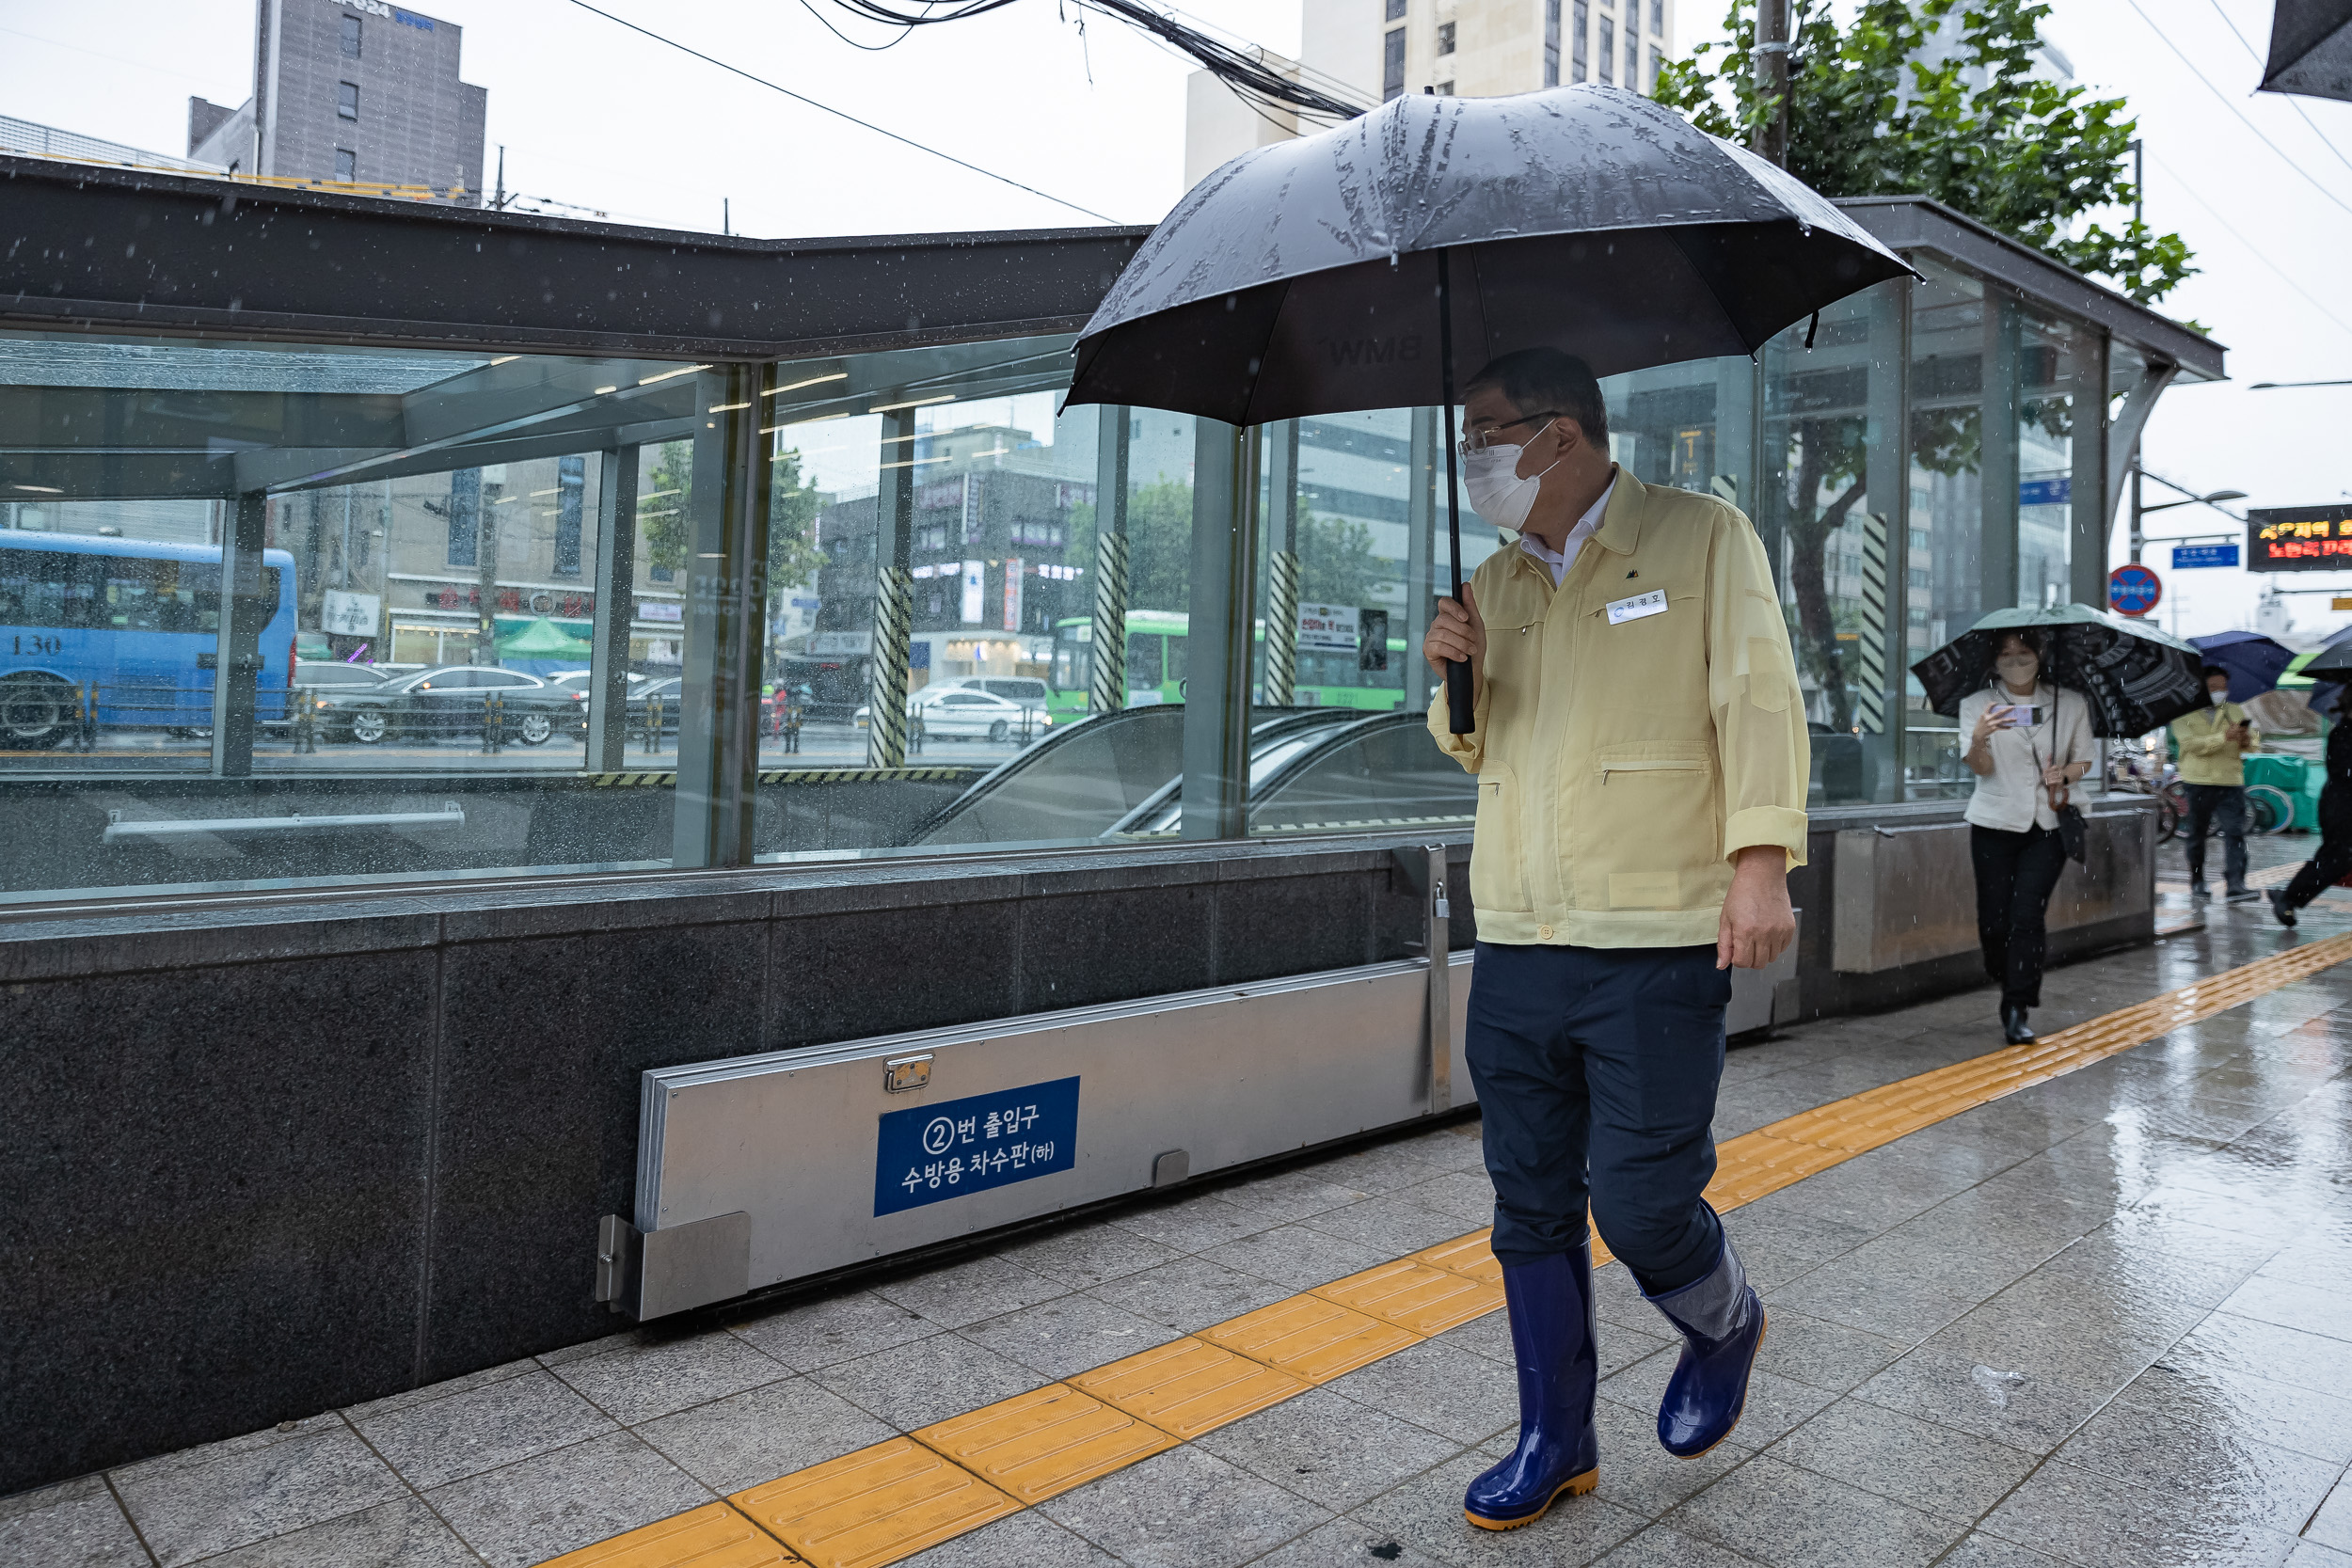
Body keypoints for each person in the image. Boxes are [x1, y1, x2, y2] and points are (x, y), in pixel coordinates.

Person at [1422, 347, 1804, 1530]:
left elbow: (1756, 693)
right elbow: (1483, 750)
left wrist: (1760, 865)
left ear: (1560, 435)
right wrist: (1455, 678)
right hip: (1523, 937)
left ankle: (1724, 1318)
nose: (1470, 454)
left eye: (1486, 431)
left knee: (1639, 1203)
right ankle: (1556, 1436)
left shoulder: (1698, 537)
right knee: (1527, 1201)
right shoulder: (1492, 578)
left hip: (1654, 932)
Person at [1958, 631, 2092, 1045]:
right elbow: (1980, 767)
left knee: (2027, 916)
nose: (2016, 660)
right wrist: (1980, 737)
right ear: (1995, 661)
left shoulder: (2069, 702)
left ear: (2040, 655)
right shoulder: (1976, 705)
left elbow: (2084, 759)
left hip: (2048, 824)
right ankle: (2006, 972)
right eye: (2006, 654)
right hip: (1993, 822)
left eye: (2024, 652)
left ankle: (2017, 1004)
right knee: (1994, 921)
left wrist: (2063, 774)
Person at [2169, 667, 2260, 901]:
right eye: (2214, 688)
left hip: (2231, 781)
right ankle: (2197, 881)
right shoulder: (2183, 713)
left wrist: (2246, 739)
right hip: (2197, 781)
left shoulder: (2234, 710)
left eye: (2224, 687)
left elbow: (2253, 744)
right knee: (2197, 835)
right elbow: (2191, 746)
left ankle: (2236, 884)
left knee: (2235, 833)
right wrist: (2223, 737)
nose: (2221, 692)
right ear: (2201, 688)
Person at [2269, 700, 2350, 927]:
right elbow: (2345, 773)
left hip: (2341, 804)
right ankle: (2289, 897)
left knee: (2335, 859)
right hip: (2343, 808)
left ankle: (2290, 896)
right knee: (2336, 860)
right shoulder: (2343, 734)